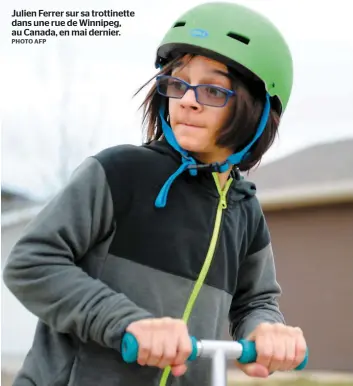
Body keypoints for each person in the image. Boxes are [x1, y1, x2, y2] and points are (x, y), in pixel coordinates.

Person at [3, 2, 307, 386]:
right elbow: (31, 262)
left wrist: (265, 330)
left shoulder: (244, 210)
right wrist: (127, 322)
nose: (188, 100)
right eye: (178, 84)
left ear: (259, 110)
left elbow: (256, 301)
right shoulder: (119, 173)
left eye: (213, 90)